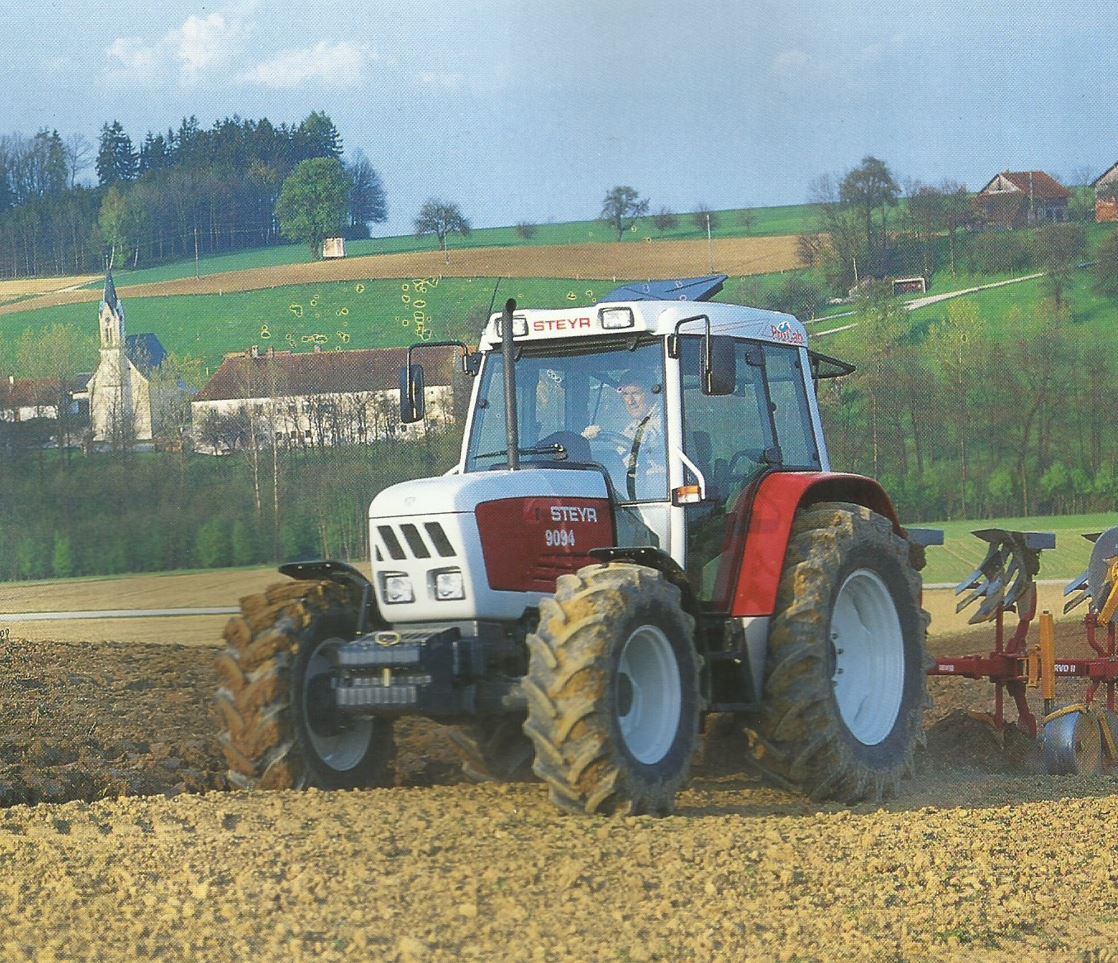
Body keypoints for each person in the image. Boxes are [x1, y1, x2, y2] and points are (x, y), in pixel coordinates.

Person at [582, 371, 666, 499]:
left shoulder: (668, 420)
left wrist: (603, 435)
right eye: (626, 394)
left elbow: (646, 442)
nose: (630, 401)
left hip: (661, 490)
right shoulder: (633, 426)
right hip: (631, 488)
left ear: (652, 394)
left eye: (636, 393)